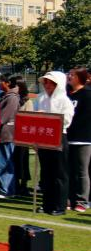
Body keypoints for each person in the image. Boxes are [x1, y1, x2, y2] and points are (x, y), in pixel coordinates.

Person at [36, 71, 74, 216]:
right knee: (46, 173)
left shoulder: (64, 101)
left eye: (51, 82)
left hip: (59, 137)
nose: (47, 85)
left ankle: (60, 205)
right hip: (44, 137)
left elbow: (67, 121)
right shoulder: (41, 98)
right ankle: (47, 204)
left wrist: (47, 117)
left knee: (59, 173)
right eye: (45, 82)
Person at [67, 67, 90, 213]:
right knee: (68, 170)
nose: (69, 77)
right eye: (69, 74)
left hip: (83, 139)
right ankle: (70, 199)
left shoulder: (87, 94)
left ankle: (82, 201)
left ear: (80, 77)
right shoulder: (67, 94)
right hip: (67, 137)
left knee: (82, 170)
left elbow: (85, 118)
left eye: (72, 75)